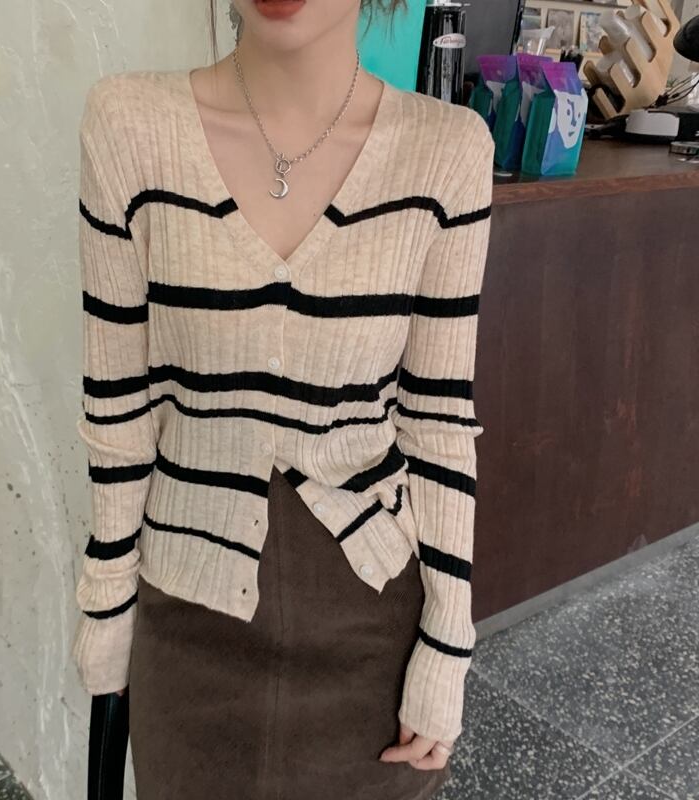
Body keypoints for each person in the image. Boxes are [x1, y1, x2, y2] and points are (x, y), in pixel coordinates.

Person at [70, 1, 494, 797]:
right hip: (186, 616)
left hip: (370, 626)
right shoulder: (130, 127)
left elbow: (437, 420)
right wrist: (106, 605)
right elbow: (118, 406)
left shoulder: (447, 151)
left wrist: (447, 642)